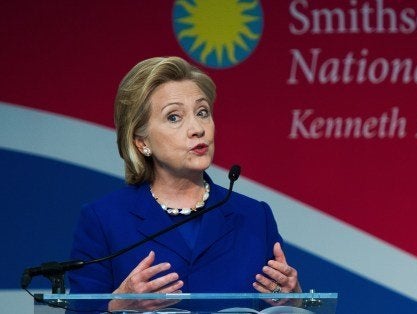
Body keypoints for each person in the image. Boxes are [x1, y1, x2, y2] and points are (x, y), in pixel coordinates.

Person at [68, 56, 301, 312]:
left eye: (202, 113)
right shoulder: (104, 220)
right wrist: (119, 305)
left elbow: (285, 301)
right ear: (141, 141)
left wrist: (292, 296)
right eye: (174, 117)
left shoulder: (254, 216)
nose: (197, 128)